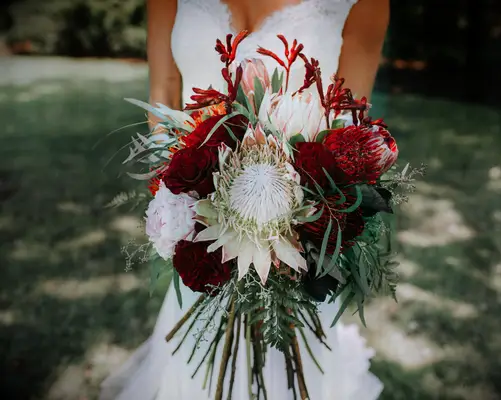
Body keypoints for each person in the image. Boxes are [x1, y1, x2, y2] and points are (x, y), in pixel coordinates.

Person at [100, 0, 389, 399]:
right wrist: (180, 199)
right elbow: (164, 94)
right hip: (201, 231)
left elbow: (348, 125)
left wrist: (296, 227)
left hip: (295, 244)